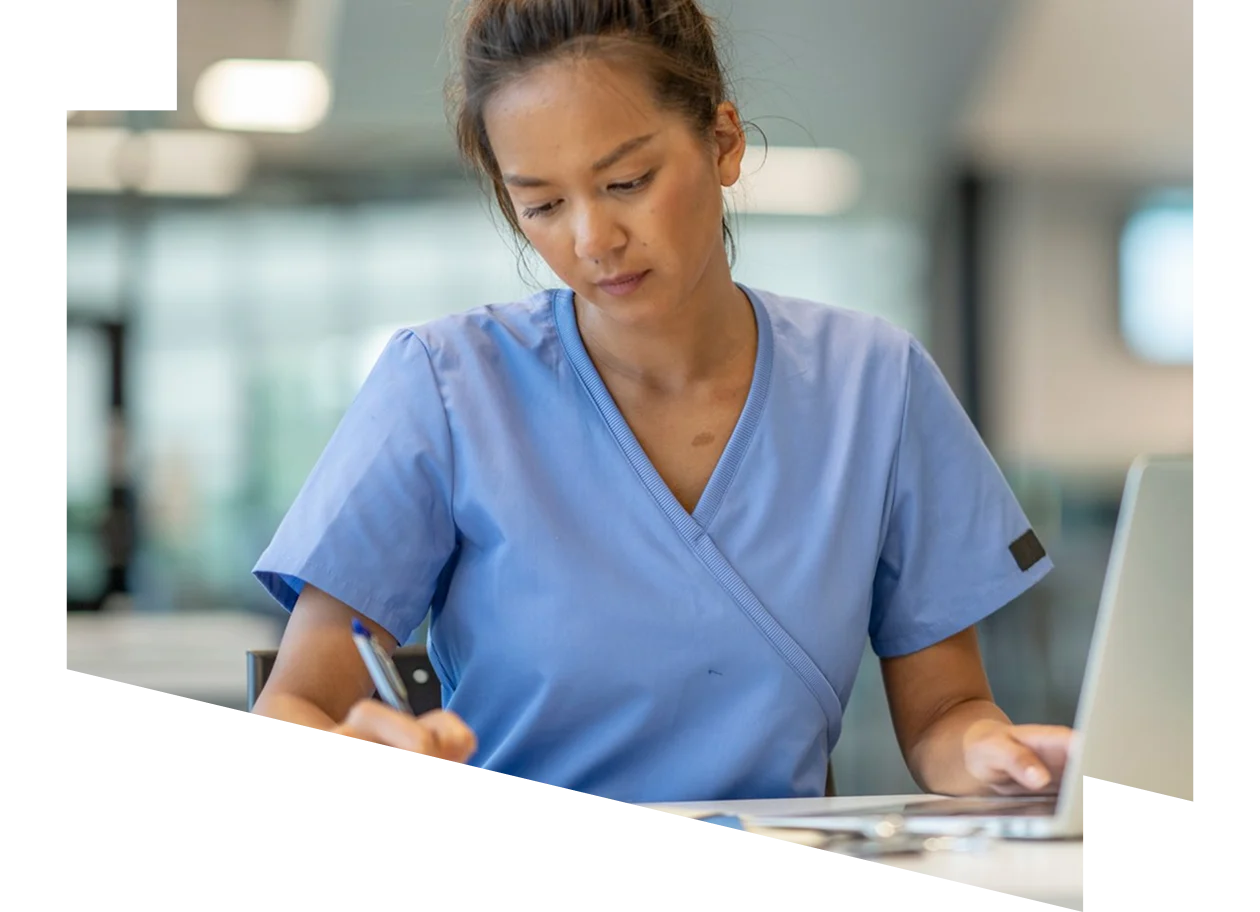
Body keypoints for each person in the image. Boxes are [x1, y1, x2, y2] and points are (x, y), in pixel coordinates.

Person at [249, 0, 1074, 805]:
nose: (592, 240)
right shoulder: (444, 384)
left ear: (722, 141)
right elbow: (296, 702)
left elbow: (944, 712)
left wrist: (997, 753)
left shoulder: (875, 383)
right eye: (541, 205)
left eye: (627, 181)